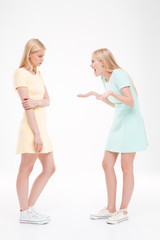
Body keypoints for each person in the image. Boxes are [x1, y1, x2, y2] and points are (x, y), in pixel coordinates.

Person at [77, 48, 148, 224]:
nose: (91, 64)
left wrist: (111, 94)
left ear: (102, 62)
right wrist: (97, 95)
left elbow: (130, 101)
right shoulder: (104, 78)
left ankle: (123, 210)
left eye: (93, 61)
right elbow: (117, 104)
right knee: (106, 163)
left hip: (131, 124)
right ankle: (111, 208)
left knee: (126, 167)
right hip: (119, 123)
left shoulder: (118, 75)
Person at [13, 39, 56, 224]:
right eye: (39, 55)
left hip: (42, 128)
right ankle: (25, 211)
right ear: (29, 54)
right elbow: (26, 106)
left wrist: (37, 101)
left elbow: (47, 101)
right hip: (31, 128)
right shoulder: (20, 73)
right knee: (27, 168)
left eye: (43, 55)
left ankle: (29, 208)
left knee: (50, 168)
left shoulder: (38, 73)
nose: (42, 59)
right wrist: (36, 134)